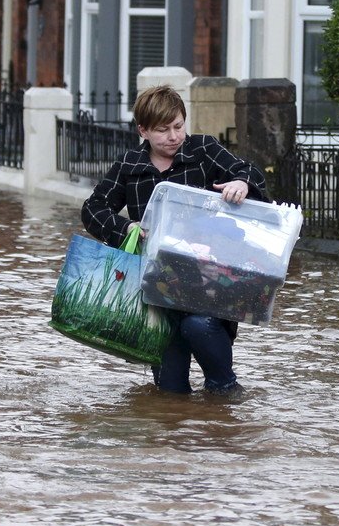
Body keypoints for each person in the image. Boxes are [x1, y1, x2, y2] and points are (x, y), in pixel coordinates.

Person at [81, 85, 268, 394]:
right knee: (170, 393)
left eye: (178, 126)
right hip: (156, 290)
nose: (173, 136)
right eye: (162, 130)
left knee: (201, 332)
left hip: (208, 283)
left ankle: (226, 408)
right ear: (142, 130)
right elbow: (93, 209)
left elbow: (249, 171)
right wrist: (125, 229)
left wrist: (242, 183)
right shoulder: (130, 166)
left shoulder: (203, 150)